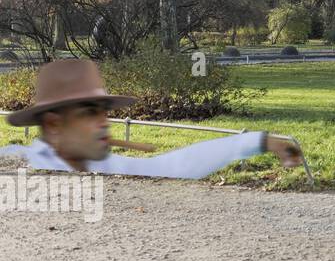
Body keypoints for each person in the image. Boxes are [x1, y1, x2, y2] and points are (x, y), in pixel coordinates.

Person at [1, 58, 303, 178]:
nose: (105, 122)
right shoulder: (17, 165)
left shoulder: (107, 166)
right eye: (90, 113)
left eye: (105, 112)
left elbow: (172, 166)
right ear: (54, 125)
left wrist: (259, 141)